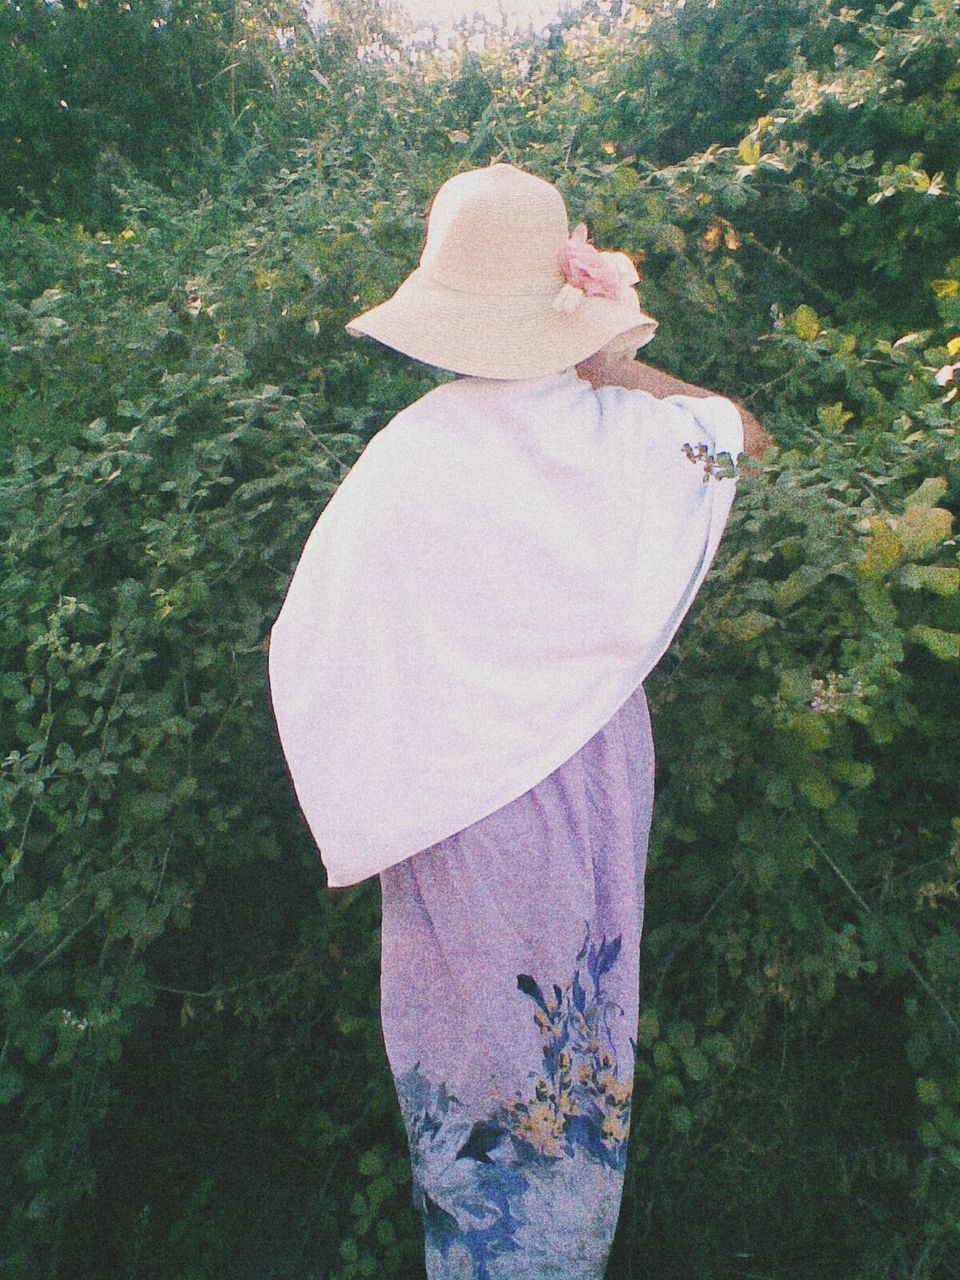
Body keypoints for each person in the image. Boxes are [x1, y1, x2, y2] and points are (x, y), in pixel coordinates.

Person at [267, 162, 772, 1279]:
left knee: (474, 1050)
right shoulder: (620, 432)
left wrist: (366, 796)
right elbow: (744, 432)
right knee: (573, 1039)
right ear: (564, 298)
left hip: (454, 806)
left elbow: (312, 643)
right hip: (587, 780)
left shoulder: (408, 455)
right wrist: (617, 363)